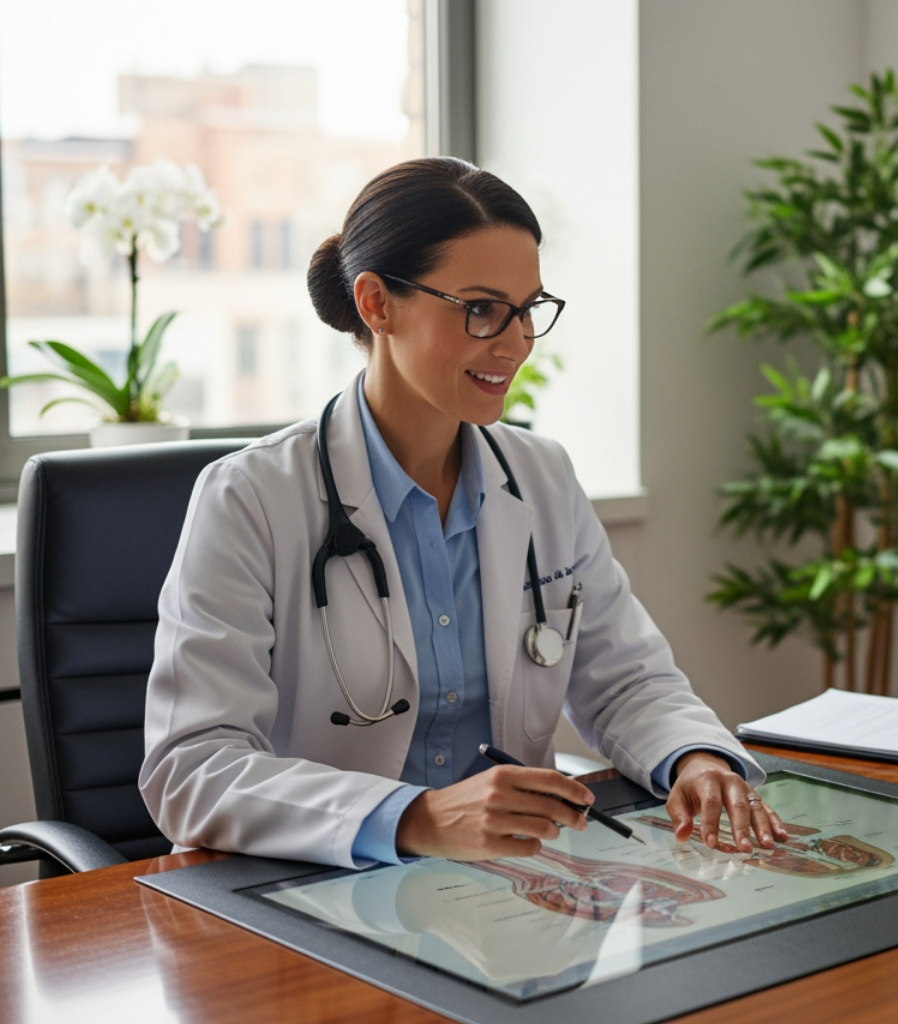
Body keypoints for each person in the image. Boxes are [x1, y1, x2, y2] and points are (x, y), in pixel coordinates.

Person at [140, 157, 788, 868]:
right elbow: (190, 768)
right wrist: (411, 816)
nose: (513, 344)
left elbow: (627, 679)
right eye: (480, 309)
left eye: (527, 309)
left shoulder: (541, 476)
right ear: (377, 304)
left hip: (505, 889)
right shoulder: (250, 499)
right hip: (308, 889)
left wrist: (693, 758)